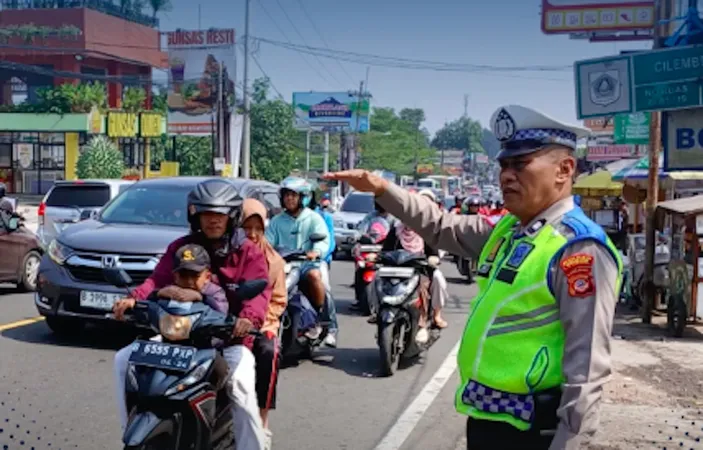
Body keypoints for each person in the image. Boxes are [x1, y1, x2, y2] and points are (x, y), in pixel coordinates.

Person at [325, 104, 623, 450]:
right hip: (490, 421)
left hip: (533, 433)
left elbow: (587, 371)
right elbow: (441, 226)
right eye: (503, 165)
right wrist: (381, 189)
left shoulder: (578, 249)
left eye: (520, 164)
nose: (506, 175)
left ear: (564, 169)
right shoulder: (513, 229)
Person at [112, 178, 269, 450]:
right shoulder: (181, 248)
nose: (213, 220)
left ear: (232, 216)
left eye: (219, 214)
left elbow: (257, 295)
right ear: (195, 215)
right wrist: (132, 300)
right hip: (179, 338)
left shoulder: (248, 252)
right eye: (207, 213)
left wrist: (246, 320)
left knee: (242, 392)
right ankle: (132, 426)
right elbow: (156, 280)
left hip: (228, 340)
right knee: (123, 360)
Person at [265, 176, 338, 348]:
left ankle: (327, 323)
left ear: (302, 197)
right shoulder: (276, 221)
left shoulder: (313, 218)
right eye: (286, 195)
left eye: (293, 195)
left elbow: (324, 241)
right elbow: (267, 243)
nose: (289, 198)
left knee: (317, 278)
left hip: (308, 264)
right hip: (284, 265)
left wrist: (316, 251)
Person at [241, 199, 287, 450]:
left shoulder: (275, 262)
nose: (252, 234)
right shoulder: (229, 254)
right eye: (247, 227)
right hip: (230, 320)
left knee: (270, 351)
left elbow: (278, 300)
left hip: (261, 324)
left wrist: (264, 322)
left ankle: (262, 419)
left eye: (258, 228)